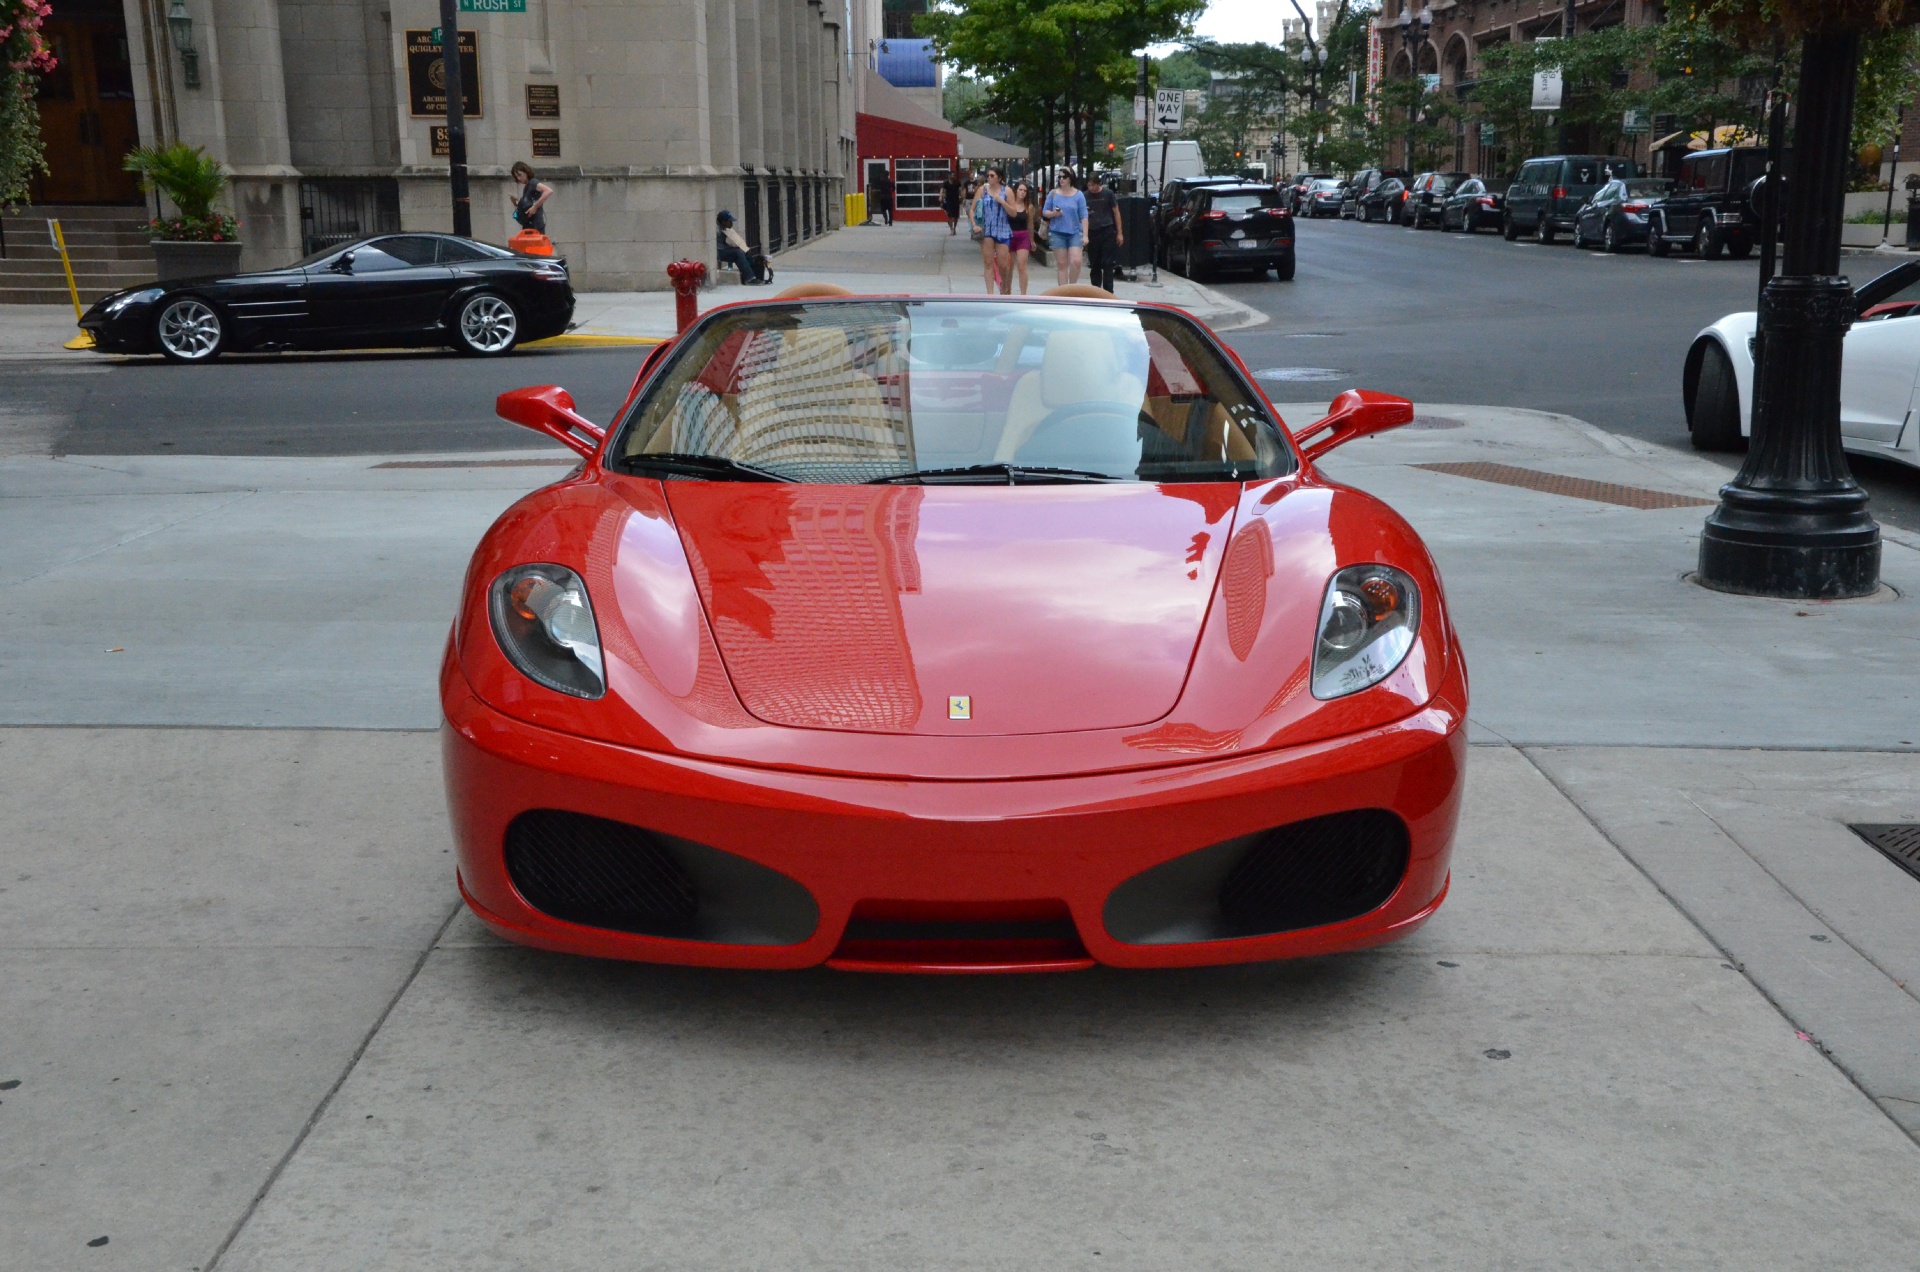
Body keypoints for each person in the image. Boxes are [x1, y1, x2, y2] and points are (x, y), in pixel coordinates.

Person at [1041, 167, 1088, 285]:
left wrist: (1086, 235)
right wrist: (1054, 214)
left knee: (1076, 261)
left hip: (1075, 232)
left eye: (1064, 177)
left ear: (1070, 178)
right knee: (1062, 264)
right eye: (1059, 177)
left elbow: (1084, 216)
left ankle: (1072, 287)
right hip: (1057, 232)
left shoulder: (1079, 195)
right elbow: (1045, 211)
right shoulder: (1053, 193)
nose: (1061, 179)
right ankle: (1063, 293)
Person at [1083, 171, 1125, 293]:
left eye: (1093, 185)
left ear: (1098, 184)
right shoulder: (1085, 196)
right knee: (1094, 263)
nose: (1091, 188)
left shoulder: (1108, 194)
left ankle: (1108, 290)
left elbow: (1116, 212)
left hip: (1107, 229)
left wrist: (1119, 232)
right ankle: (1096, 290)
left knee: (1108, 263)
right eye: (1089, 185)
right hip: (1092, 231)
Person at [973, 167, 1012, 293]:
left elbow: (1014, 212)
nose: (989, 177)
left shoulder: (1007, 191)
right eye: (988, 175)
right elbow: (972, 210)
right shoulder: (982, 190)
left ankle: (1005, 287)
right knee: (988, 262)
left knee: (1003, 264)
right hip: (987, 229)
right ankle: (990, 294)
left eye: (992, 175)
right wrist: (974, 224)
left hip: (1002, 228)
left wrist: (1003, 202)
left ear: (999, 178)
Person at [715, 210, 768, 285]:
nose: (731, 223)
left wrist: (744, 248)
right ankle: (749, 279)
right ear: (723, 221)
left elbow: (733, 241)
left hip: (723, 248)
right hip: (719, 252)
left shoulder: (724, 228)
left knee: (743, 251)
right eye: (729, 221)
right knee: (738, 253)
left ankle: (755, 276)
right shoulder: (716, 230)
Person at [1005, 180, 1035, 294]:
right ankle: (1007, 290)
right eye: (1020, 190)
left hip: (1023, 236)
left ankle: (1023, 293)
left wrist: (1032, 240)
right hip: (1009, 235)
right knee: (1009, 266)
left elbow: (1030, 224)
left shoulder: (1029, 207)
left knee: (1022, 265)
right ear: (1015, 190)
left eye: (1025, 191)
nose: (1022, 193)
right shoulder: (1009, 204)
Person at [510, 162, 553, 235]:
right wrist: (516, 202)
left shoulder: (533, 183)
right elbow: (527, 206)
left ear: (526, 172)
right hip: (529, 224)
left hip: (535, 224)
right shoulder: (527, 186)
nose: (518, 178)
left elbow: (548, 191)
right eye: (516, 176)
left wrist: (535, 207)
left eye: (520, 175)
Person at [941, 167, 963, 235]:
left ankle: (955, 228)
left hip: (956, 200)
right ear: (949, 175)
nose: (953, 176)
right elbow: (944, 191)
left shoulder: (957, 183)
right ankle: (951, 229)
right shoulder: (946, 183)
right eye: (952, 175)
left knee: (956, 216)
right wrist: (942, 199)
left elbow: (960, 191)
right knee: (949, 215)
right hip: (948, 201)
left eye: (954, 175)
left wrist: (961, 198)